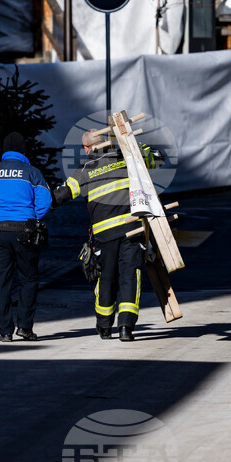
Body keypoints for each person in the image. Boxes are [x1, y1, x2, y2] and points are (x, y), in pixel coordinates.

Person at [53, 130, 162, 342]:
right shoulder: (126, 157)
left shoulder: (84, 170)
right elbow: (157, 158)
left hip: (104, 236)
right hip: (133, 230)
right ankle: (126, 328)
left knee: (106, 279)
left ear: (86, 149)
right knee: (130, 277)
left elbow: (61, 195)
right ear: (105, 143)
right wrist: (138, 147)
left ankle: (104, 326)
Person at [0, 132, 52, 343]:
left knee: (1, 281)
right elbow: (45, 202)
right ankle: (25, 328)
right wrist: (32, 217)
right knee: (28, 279)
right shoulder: (32, 172)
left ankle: (5, 332)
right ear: (23, 150)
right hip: (24, 232)